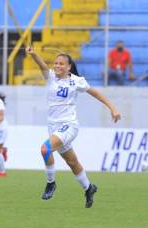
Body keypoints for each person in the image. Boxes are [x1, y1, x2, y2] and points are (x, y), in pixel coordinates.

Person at [26, 46, 121, 208]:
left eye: (61, 64)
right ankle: (88, 188)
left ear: (69, 67)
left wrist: (113, 108)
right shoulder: (51, 78)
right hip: (54, 127)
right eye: (55, 63)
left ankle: (51, 183)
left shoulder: (76, 81)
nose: (57, 66)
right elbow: (42, 65)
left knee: (45, 149)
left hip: (68, 126)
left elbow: (96, 93)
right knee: (72, 161)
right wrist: (34, 54)